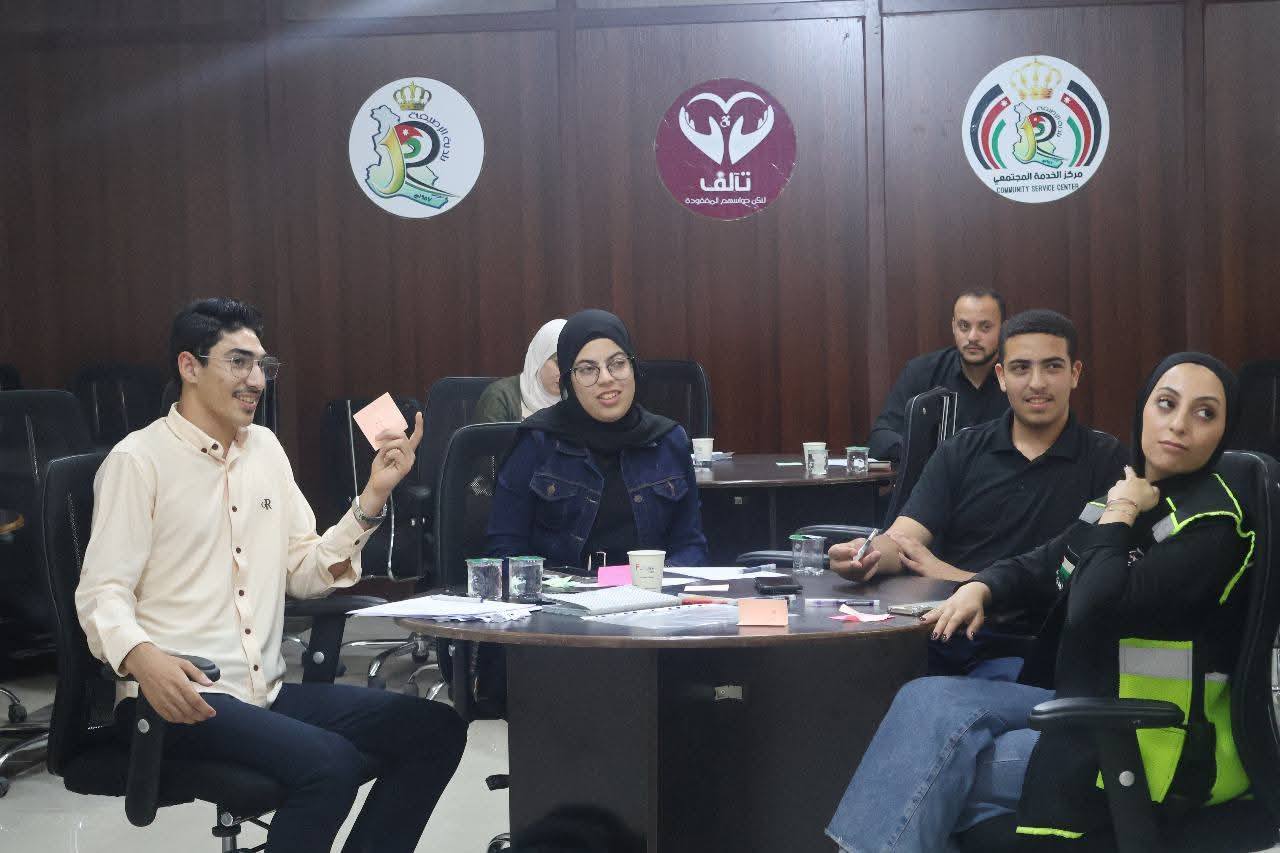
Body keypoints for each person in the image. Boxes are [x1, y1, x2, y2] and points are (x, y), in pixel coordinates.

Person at [76, 298, 466, 853]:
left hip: (263, 692)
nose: (257, 380)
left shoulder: (265, 449)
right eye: (239, 362)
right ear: (189, 366)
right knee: (329, 765)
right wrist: (142, 658)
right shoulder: (138, 461)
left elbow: (304, 572)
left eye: (263, 365)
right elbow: (102, 592)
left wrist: (372, 497)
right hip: (177, 699)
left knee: (436, 730)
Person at [826, 353, 1254, 852]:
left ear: (1224, 432)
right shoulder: (1140, 494)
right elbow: (1046, 563)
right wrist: (982, 587)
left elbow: (1094, 603)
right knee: (924, 703)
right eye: (1166, 403)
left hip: (1153, 740)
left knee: (927, 770)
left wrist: (1120, 510)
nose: (1179, 424)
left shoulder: (1211, 527)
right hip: (1087, 698)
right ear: (1143, 408)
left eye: (1205, 413)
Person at [831, 310, 1127, 677]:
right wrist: (866, 555)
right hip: (945, 636)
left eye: (1052, 367)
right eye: (1021, 368)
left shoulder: (1108, 461)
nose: (1037, 383)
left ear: (1075, 373)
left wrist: (960, 578)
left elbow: (1077, 583)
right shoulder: (962, 450)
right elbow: (904, 540)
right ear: (1001, 376)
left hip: (1038, 651)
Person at [487, 308, 707, 569]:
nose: (606, 378)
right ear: (569, 380)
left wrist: (660, 580)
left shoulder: (668, 441)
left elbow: (691, 547)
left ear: (633, 368)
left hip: (650, 590)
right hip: (558, 592)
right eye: (587, 369)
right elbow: (506, 551)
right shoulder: (537, 442)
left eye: (617, 364)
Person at [869, 290, 1011, 463]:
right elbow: (880, 438)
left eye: (985, 327)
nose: (973, 337)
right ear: (953, 326)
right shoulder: (922, 372)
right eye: (964, 326)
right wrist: (926, 455)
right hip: (935, 477)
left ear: (1004, 329)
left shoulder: (1018, 376)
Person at [474, 318, 566, 423]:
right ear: (540, 358)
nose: (564, 372)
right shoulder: (499, 397)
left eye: (569, 365)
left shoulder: (575, 398)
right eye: (558, 363)